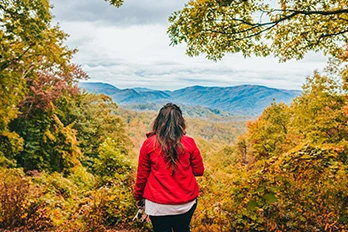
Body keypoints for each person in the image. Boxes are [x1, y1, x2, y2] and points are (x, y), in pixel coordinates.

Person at [134, 103, 204, 232]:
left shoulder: (149, 144)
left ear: (159, 121)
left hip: (157, 204)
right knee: (183, 229)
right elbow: (199, 171)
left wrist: (138, 196)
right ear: (180, 122)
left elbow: (142, 176)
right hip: (186, 203)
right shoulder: (189, 142)